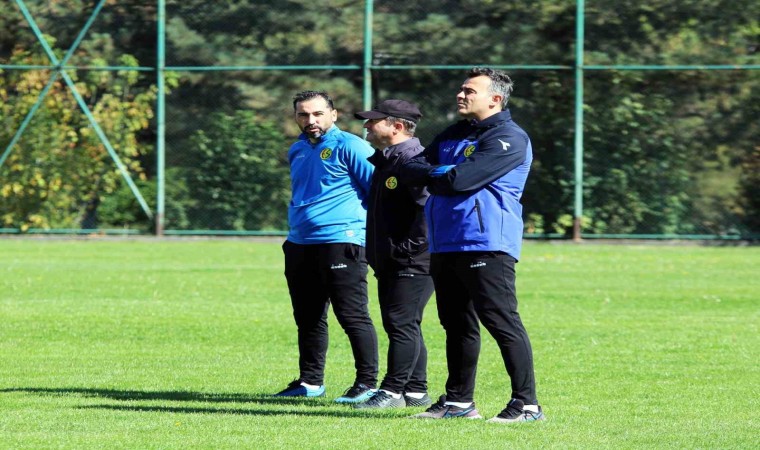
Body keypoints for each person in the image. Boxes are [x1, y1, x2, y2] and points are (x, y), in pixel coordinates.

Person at [401, 68, 544, 422]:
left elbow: (460, 181)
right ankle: (459, 402)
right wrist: (443, 173)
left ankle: (527, 405)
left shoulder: (509, 137)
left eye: (469, 91)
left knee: (500, 321)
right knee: (456, 324)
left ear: (495, 99)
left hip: (486, 243)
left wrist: (441, 173)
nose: (460, 95)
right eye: (461, 89)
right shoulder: (455, 133)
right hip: (445, 242)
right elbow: (409, 169)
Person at [274, 90, 379, 404]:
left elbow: (378, 192)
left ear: (333, 114)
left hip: (341, 242)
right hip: (299, 243)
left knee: (352, 315)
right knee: (307, 317)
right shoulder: (297, 149)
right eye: (304, 114)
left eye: (318, 113)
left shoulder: (351, 146)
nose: (311, 120)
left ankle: (367, 384)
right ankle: (310, 382)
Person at [351, 100, 435, 409]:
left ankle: (392, 391)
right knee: (404, 323)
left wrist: (405, 251)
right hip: (391, 260)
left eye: (373, 121)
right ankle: (416, 391)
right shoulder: (386, 160)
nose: (366, 126)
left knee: (401, 323)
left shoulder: (413, 161)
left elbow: (427, 213)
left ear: (396, 126)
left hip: (412, 261)